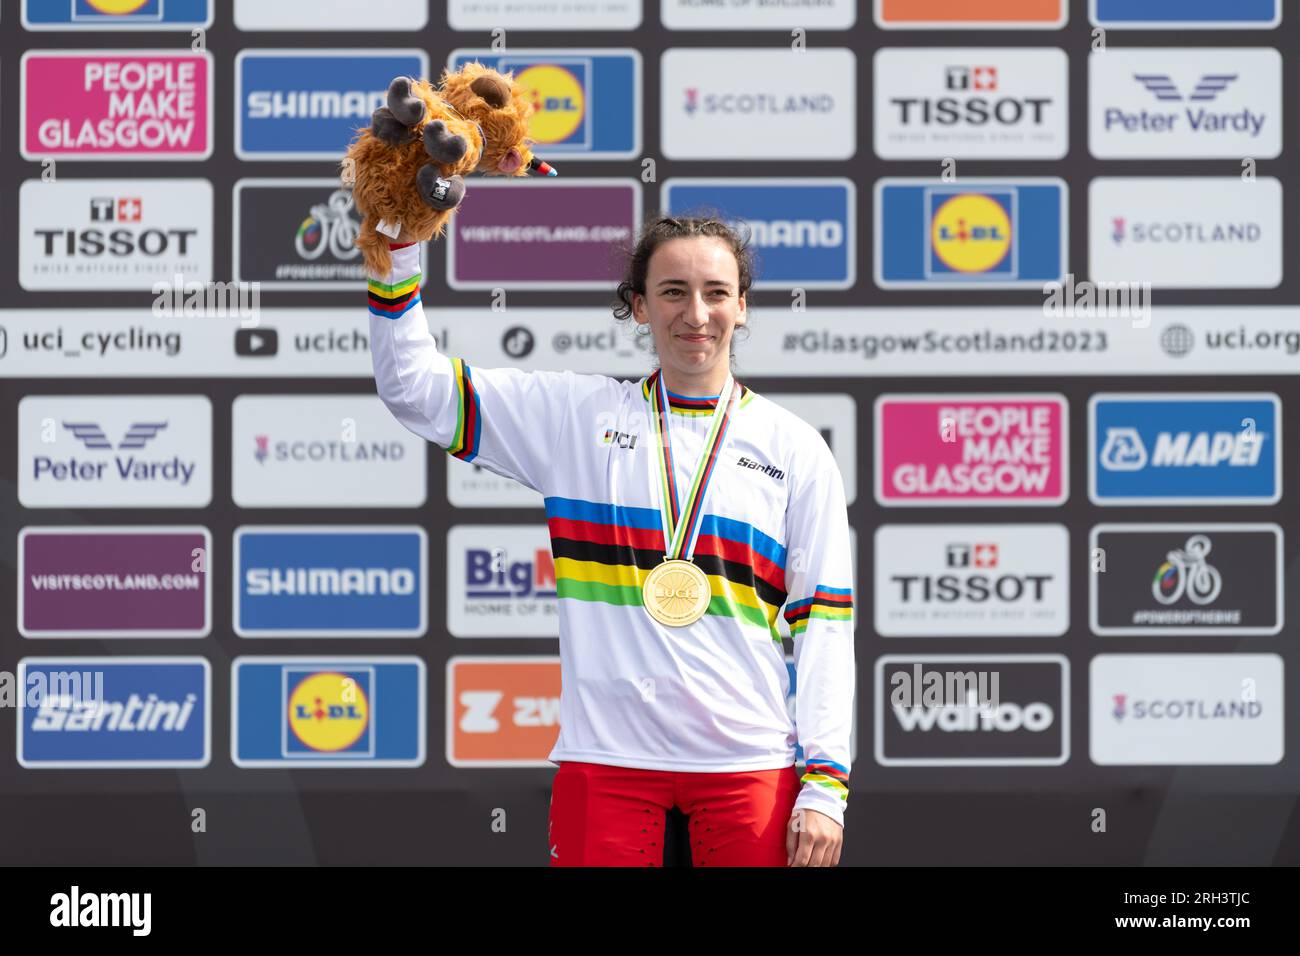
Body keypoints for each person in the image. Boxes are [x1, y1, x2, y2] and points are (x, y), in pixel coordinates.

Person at [368, 213, 855, 867]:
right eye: (673, 291)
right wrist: (396, 252)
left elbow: (824, 624)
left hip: (748, 761)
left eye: (715, 292)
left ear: (742, 306)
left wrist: (825, 785)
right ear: (638, 306)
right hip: (608, 762)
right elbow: (414, 390)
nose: (696, 313)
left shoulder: (794, 449)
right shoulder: (578, 418)